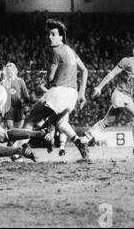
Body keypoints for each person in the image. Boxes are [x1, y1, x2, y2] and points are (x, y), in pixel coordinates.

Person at [19, 19, 89, 161]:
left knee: (30, 118)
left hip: (59, 92)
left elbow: (51, 79)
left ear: (61, 37)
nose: (49, 37)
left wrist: (42, 85)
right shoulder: (71, 51)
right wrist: (82, 93)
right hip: (72, 95)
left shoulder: (54, 51)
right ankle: (79, 142)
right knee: (60, 122)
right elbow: (85, 70)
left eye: (53, 34)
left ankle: (19, 150)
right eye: (48, 34)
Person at [80, 40, 134, 157]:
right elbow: (112, 74)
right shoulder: (127, 61)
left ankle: (84, 139)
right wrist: (99, 87)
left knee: (107, 121)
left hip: (126, 97)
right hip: (119, 94)